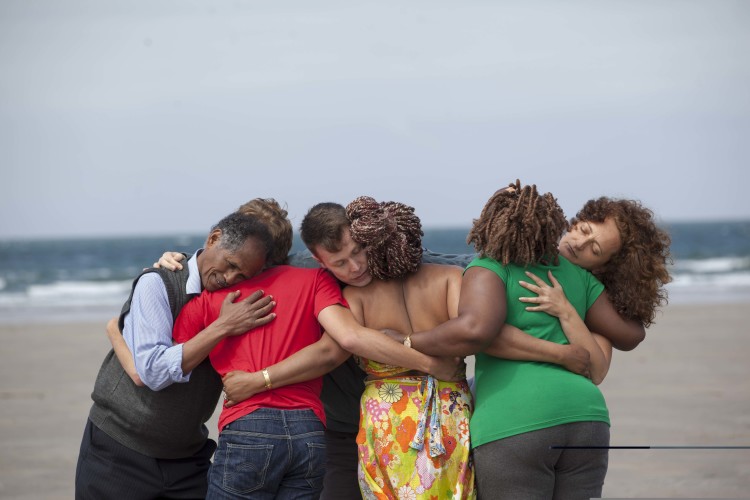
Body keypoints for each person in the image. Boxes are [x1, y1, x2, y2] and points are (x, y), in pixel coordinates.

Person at [402, 181, 656, 499]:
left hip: (517, 422)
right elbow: (631, 334)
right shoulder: (582, 280)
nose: (579, 243)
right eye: (583, 230)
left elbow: (477, 331)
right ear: (566, 220)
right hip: (588, 421)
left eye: (595, 249)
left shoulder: (489, 268)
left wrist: (407, 341)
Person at [171, 238, 461, 499]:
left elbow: (171, 363)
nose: (355, 267)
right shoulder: (317, 278)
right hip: (316, 430)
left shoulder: (213, 298)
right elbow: (334, 348)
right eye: (341, 262)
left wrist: (256, 378)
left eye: (359, 253)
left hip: (266, 424)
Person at [75, 210, 278, 500]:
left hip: (187, 457)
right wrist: (223, 326)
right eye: (230, 264)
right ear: (214, 239)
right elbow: (153, 371)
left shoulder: (245, 297)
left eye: (243, 274)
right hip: (118, 451)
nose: (230, 278)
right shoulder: (158, 282)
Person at [342, 196, 475, 498]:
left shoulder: (355, 296)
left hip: (386, 414)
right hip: (449, 406)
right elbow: (463, 337)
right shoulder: (450, 277)